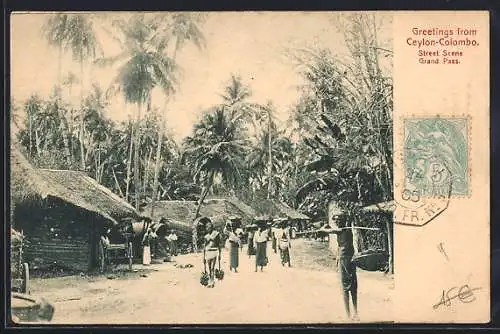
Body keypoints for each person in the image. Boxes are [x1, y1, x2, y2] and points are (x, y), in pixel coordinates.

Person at [326, 215, 359, 321]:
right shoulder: (346, 230)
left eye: (338, 221)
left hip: (345, 260)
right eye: (336, 221)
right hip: (350, 259)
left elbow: (325, 230)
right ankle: (355, 313)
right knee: (352, 286)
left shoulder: (341, 230)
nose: (336, 222)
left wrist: (324, 227)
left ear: (342, 222)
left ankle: (349, 316)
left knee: (346, 287)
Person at [203, 219, 222, 288]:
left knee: (212, 268)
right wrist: (203, 257)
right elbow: (204, 246)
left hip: (214, 251)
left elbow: (219, 244)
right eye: (207, 227)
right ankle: (210, 281)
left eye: (209, 227)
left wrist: (220, 254)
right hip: (208, 252)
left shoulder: (216, 234)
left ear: (211, 227)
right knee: (209, 267)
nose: (208, 229)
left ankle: (212, 281)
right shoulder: (206, 236)